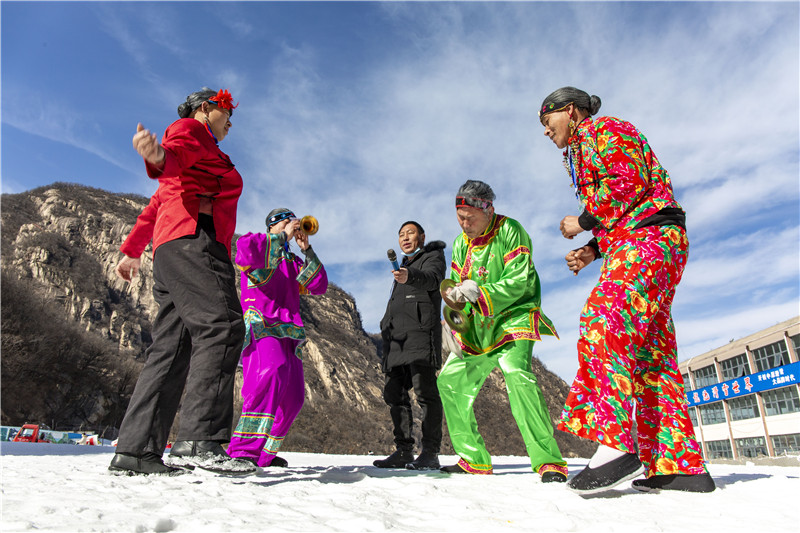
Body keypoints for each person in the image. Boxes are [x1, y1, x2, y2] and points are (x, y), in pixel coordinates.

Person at [538, 86, 715, 494]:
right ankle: (678, 465)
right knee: (652, 355)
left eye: (548, 123)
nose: (546, 133)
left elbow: (626, 180)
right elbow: (627, 205)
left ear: (569, 111)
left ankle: (614, 443)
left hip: (649, 240)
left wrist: (582, 220)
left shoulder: (606, 128)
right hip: (645, 239)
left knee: (602, 318)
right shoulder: (584, 148)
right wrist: (593, 250)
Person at [109, 87, 253, 475]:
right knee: (222, 326)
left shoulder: (196, 159)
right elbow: (177, 147)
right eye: (227, 115)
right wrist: (159, 157)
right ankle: (199, 440)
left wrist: (132, 250)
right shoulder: (193, 129)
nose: (230, 123)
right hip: (196, 241)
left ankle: (136, 450)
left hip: (171, 249)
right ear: (207, 108)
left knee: (172, 346)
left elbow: (156, 206)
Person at [437, 180, 568, 483]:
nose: (464, 223)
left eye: (470, 217)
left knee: (517, 375)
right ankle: (473, 458)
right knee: (449, 380)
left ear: (488, 209)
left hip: (513, 316)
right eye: (460, 217)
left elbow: (520, 279)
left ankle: (548, 461)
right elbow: (456, 287)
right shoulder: (460, 244)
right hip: (480, 325)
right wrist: (454, 321)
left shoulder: (510, 230)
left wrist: (479, 291)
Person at [225, 208, 328, 467]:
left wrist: (307, 250)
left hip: (289, 332)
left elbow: (319, 286)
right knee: (269, 373)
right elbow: (245, 253)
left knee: (294, 398)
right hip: (261, 323)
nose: (294, 225)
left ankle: (263, 455)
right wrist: (282, 237)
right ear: (273, 225)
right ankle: (242, 451)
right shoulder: (255, 242)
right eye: (287, 220)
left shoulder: (292, 261)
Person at [373, 221, 446, 470]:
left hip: (421, 335)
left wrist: (410, 276)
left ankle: (430, 452)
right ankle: (404, 450)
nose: (405, 238)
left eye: (410, 233)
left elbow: (433, 280)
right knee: (394, 393)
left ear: (422, 236)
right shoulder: (403, 265)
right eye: (401, 235)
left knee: (425, 392)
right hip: (396, 339)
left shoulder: (432, 256)